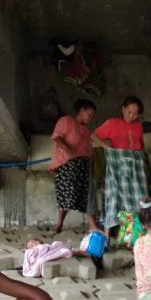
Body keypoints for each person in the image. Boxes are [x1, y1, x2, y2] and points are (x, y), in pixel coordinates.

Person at [91, 96, 147, 241]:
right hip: (117, 168)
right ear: (122, 109)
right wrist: (106, 147)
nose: (132, 116)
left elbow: (141, 147)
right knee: (114, 199)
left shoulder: (138, 126)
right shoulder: (112, 123)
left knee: (135, 201)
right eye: (129, 112)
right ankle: (106, 237)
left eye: (135, 114)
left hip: (135, 170)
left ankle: (131, 238)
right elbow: (93, 136)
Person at [49, 99, 98, 234]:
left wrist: (91, 163)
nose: (91, 118)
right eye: (89, 115)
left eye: (93, 117)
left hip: (83, 165)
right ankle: (59, 224)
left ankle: (92, 225)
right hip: (67, 164)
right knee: (66, 195)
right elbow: (56, 137)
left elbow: (89, 149)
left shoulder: (87, 131)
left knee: (88, 194)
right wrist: (67, 148)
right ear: (81, 111)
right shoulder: (66, 121)